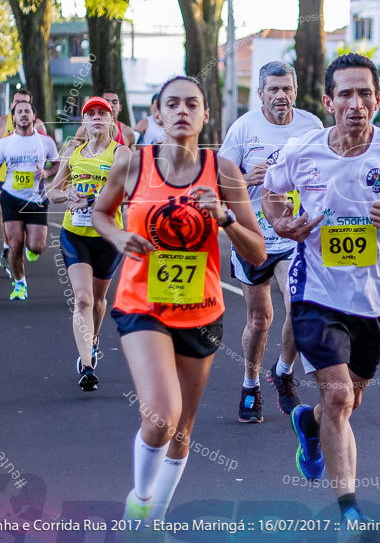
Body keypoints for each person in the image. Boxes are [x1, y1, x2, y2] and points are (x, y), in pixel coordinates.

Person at [261, 53, 380, 525]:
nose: (355, 103)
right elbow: (270, 192)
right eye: (344, 93)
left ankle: (307, 423)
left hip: (374, 300)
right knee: (340, 396)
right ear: (328, 101)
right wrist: (284, 224)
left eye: (365, 93)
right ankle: (350, 511)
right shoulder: (303, 150)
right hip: (315, 294)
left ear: (378, 100)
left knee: (347, 402)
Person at [91, 76, 265, 523]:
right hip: (142, 303)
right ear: (157, 114)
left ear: (207, 114)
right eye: (173, 104)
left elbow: (257, 251)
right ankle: (141, 501)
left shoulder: (224, 170)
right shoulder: (131, 163)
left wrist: (225, 218)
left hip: (201, 312)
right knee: (162, 415)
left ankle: (157, 517)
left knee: (183, 429)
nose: (183, 110)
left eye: (193, 103)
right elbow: (100, 213)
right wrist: (118, 236)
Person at [219, 61, 323, 422]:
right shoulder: (243, 128)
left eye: (287, 88)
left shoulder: (312, 126)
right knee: (260, 320)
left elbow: (322, 173)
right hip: (253, 236)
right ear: (261, 93)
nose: (281, 96)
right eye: (274, 89)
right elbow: (222, 182)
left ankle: (283, 370)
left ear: (295, 91)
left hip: (293, 234)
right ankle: (250, 383)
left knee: (299, 308)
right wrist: (247, 177)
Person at [47, 96, 126, 391]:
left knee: (98, 299)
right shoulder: (73, 152)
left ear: (110, 120)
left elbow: (123, 191)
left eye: (101, 113)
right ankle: (88, 366)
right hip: (75, 234)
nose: (96, 118)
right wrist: (66, 196)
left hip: (107, 237)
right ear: (83, 122)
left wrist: (91, 199)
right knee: (83, 299)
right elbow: (52, 191)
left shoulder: (121, 154)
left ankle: (91, 341)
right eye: (90, 114)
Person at [0, 99, 59, 300]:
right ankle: (20, 284)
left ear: (33, 117)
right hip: (11, 197)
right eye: (19, 111)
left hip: (36, 199)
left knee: (37, 246)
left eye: (27, 111)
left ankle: (33, 249)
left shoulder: (45, 142)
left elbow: (56, 164)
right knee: (15, 243)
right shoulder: (4, 143)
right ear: (14, 118)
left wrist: (46, 173)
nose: (23, 114)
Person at [0, 90, 48, 275]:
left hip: (31, 182)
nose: (21, 107)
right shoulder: (0, 122)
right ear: (11, 105)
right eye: (17, 102)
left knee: (28, 219)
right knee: (7, 216)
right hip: (5, 177)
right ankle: (8, 247)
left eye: (25, 103)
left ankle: (26, 245)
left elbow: (45, 147)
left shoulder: (39, 125)